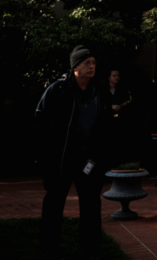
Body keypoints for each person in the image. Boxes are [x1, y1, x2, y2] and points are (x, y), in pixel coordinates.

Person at [35, 46, 112, 260]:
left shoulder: (101, 90)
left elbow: (106, 125)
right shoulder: (57, 89)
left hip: (89, 160)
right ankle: (49, 249)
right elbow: (40, 122)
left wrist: (104, 154)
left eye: (94, 63)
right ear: (74, 66)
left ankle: (91, 250)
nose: (91, 67)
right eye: (86, 63)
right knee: (54, 204)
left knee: (90, 205)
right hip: (61, 159)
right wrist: (42, 155)